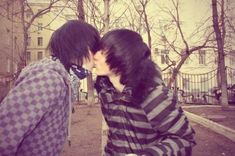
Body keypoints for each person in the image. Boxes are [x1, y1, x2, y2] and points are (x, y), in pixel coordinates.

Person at [0, 20, 100, 156]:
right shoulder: (49, 78)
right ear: (81, 46)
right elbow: (5, 135)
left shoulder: (65, 78)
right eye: (94, 50)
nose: (96, 58)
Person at [94, 29, 196, 156]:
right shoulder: (106, 94)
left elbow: (183, 140)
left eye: (103, 52)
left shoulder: (154, 95)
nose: (95, 56)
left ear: (123, 56)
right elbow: (115, 137)